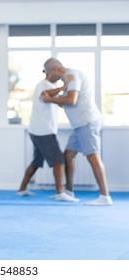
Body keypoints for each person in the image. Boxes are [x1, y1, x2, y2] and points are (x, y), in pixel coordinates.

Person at [41, 57, 112, 206]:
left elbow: (71, 100)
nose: (48, 77)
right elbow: (68, 102)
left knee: (93, 157)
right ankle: (69, 191)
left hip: (87, 122)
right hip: (79, 125)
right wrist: (57, 97)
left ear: (54, 70)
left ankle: (105, 196)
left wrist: (51, 99)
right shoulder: (67, 80)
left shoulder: (71, 75)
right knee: (68, 155)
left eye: (47, 73)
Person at [17, 73, 79, 202]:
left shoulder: (52, 86)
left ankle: (22, 189)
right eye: (58, 70)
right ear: (51, 71)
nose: (61, 74)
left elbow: (57, 100)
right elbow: (46, 94)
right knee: (59, 161)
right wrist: (66, 86)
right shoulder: (42, 84)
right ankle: (60, 193)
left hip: (39, 130)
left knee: (36, 161)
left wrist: (64, 92)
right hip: (43, 131)